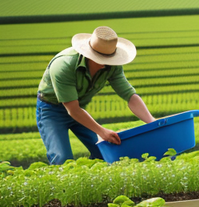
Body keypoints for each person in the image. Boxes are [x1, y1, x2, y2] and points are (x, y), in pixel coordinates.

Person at [36, 26, 155, 165]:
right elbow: (72, 110)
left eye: (110, 59)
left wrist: (152, 122)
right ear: (89, 54)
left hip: (80, 109)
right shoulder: (64, 66)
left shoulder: (112, 66)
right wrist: (102, 132)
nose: (106, 65)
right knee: (62, 158)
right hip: (52, 111)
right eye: (102, 59)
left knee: (105, 152)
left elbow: (129, 95)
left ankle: (90, 181)